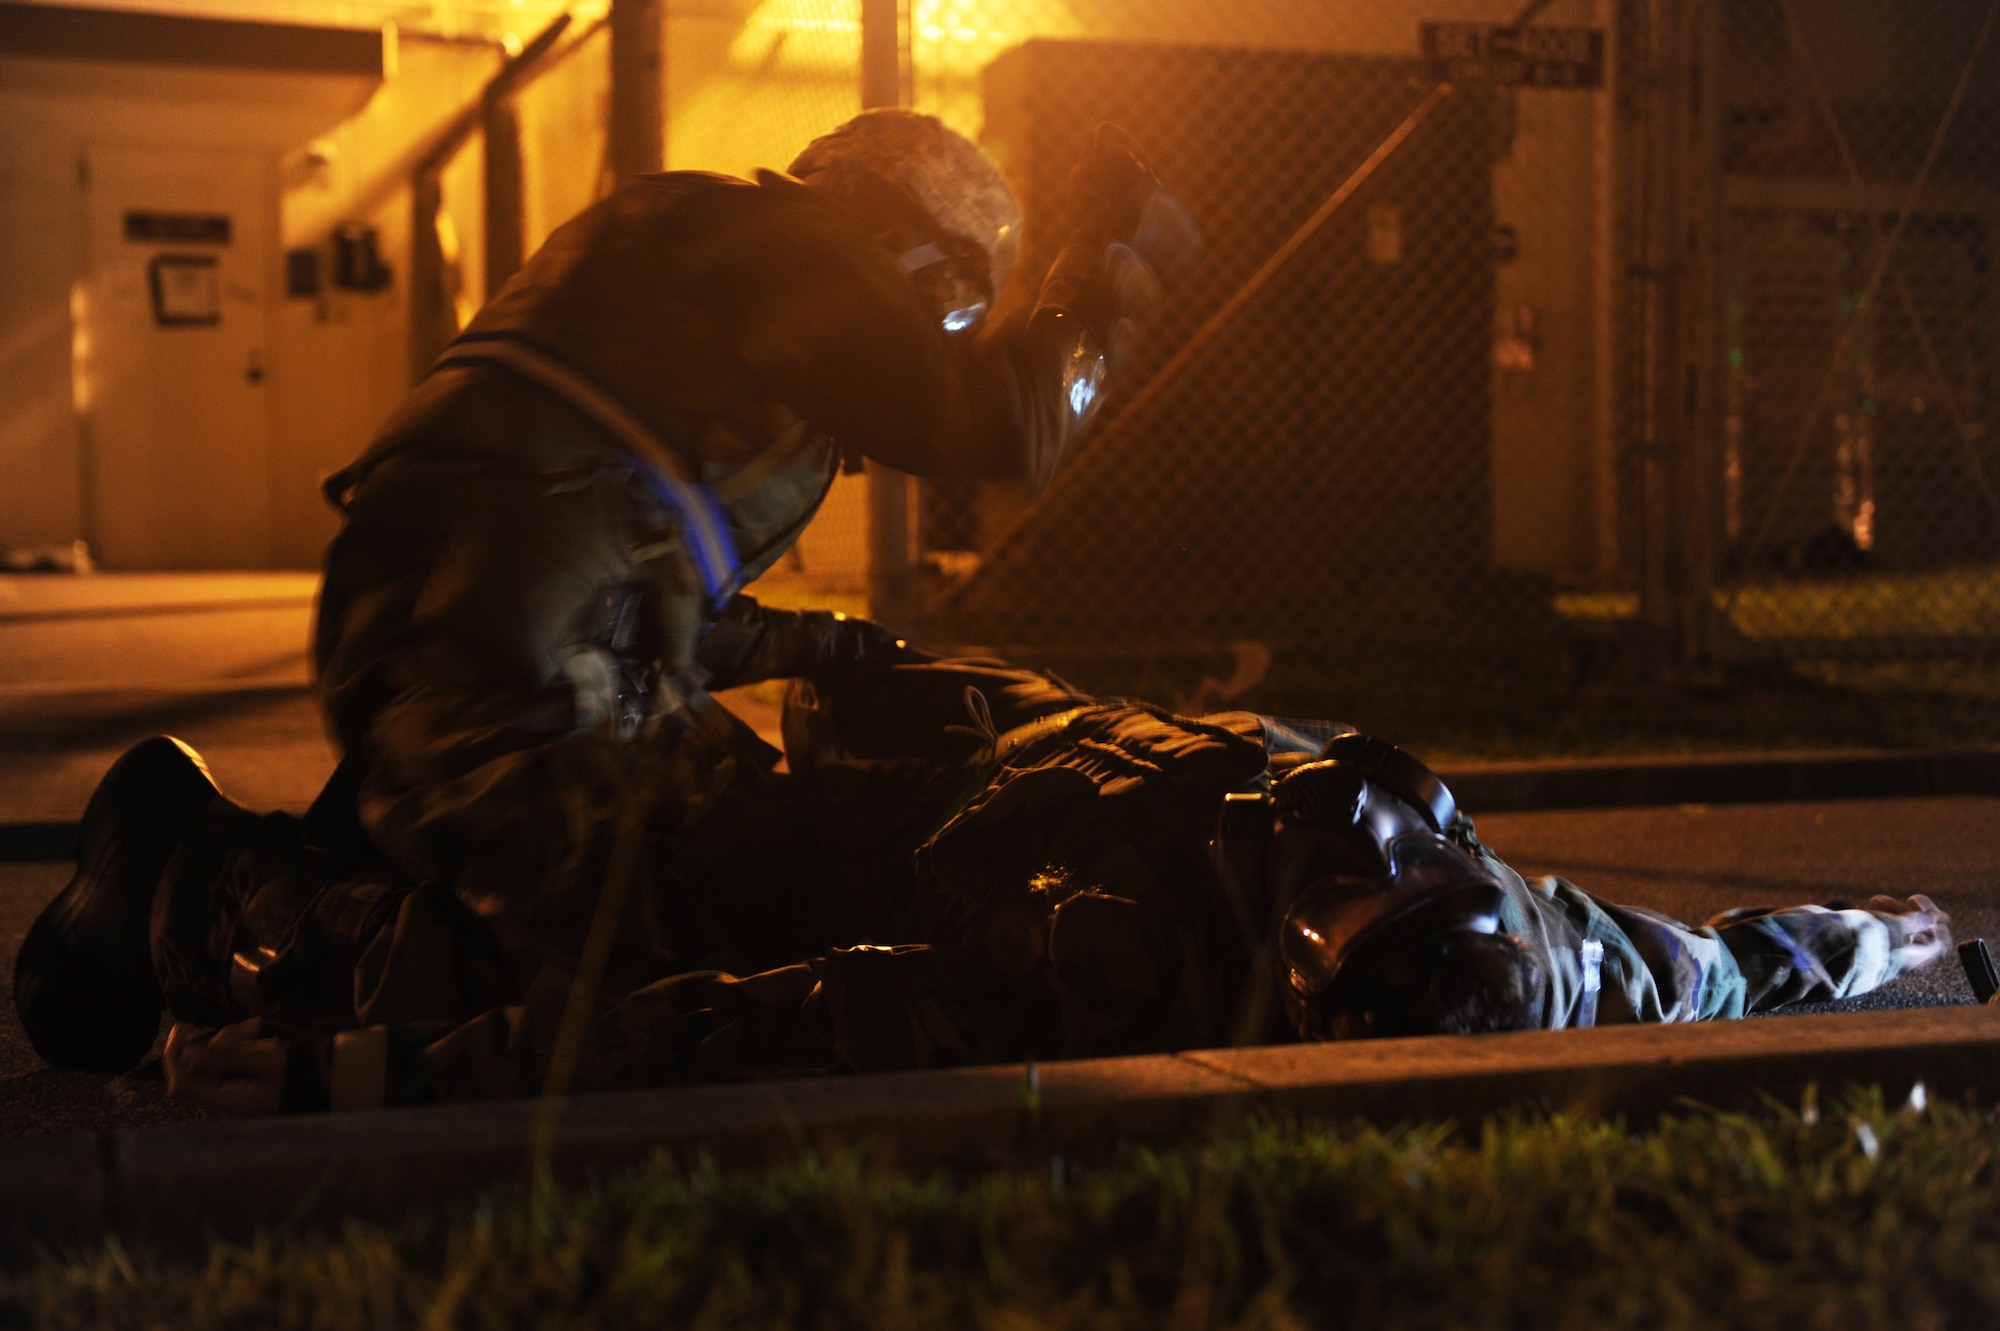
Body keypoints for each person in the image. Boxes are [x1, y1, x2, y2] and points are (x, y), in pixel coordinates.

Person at [12, 110, 1197, 1096]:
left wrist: (830, 644)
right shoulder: (795, 245)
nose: (931, 334)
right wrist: (1105, 260)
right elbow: (1004, 422)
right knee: (655, 959)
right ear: (908, 239)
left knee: (768, 844)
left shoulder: (689, 252)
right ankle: (210, 896)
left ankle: (318, 871)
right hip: (505, 664)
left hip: (499, 645)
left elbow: (630, 563)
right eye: (943, 307)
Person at [17, 659, 1956, 1113]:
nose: (1346, 877)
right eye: (1361, 871)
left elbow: (751, 1027)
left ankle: (205, 923)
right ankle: (256, 889)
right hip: (931, 760)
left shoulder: (1123, 971)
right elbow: (1751, 958)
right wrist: (1920, 939)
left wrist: (363, 1087)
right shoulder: (1437, 857)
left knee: (607, 905)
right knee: (609, 797)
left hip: (904, 838)